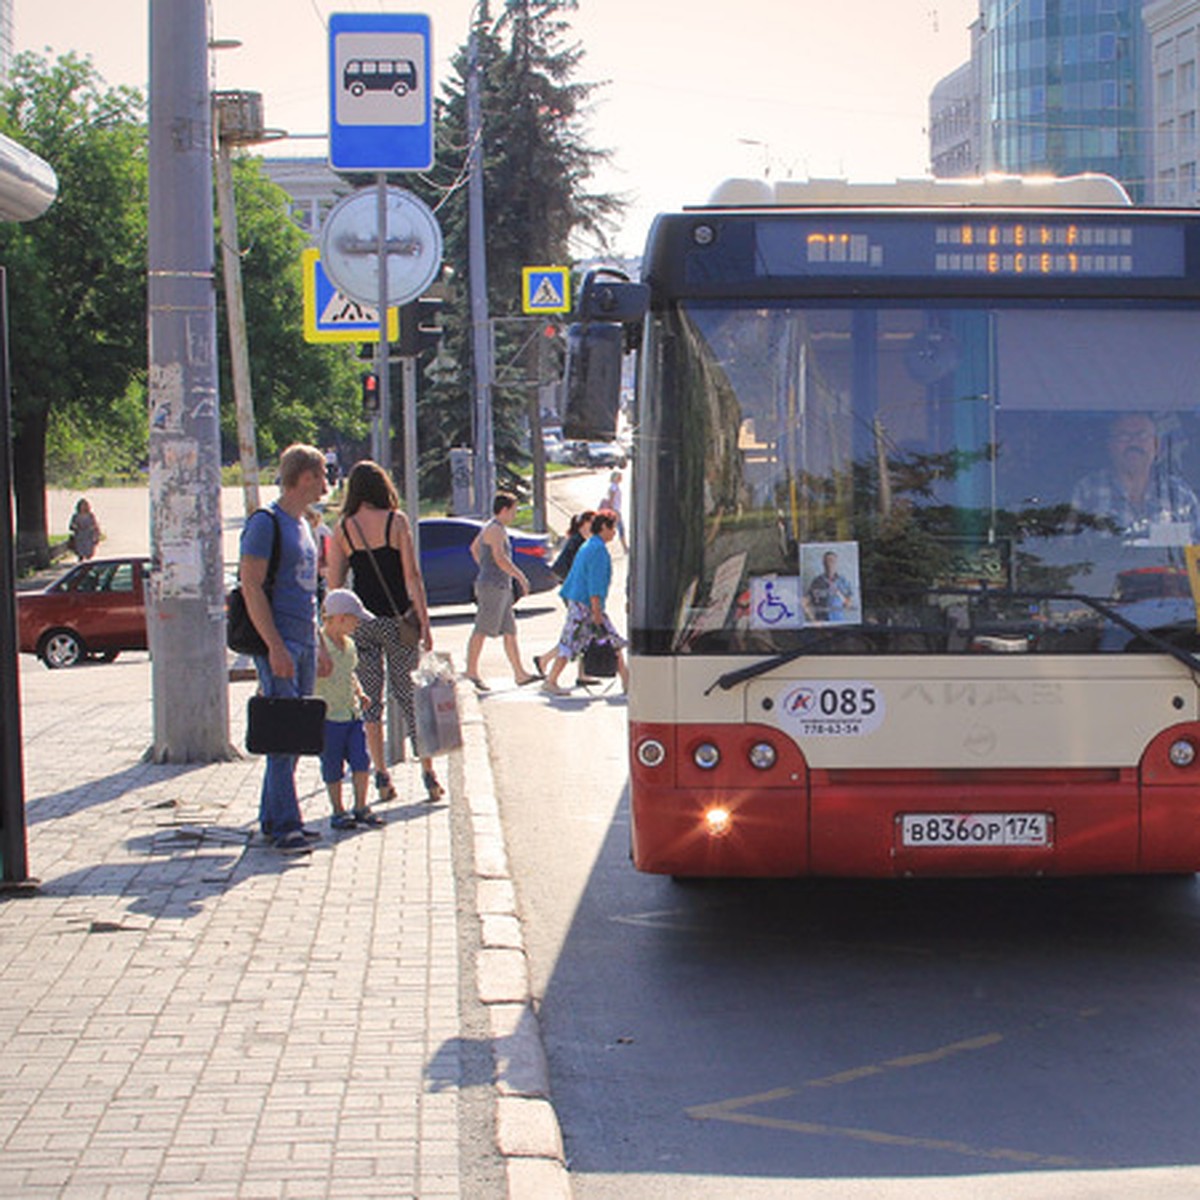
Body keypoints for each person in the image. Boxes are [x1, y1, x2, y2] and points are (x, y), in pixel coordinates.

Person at [325, 460, 444, 805]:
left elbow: (335, 586)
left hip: (360, 625)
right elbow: (413, 577)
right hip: (397, 622)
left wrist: (332, 631)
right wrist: (425, 621)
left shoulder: (344, 529)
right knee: (410, 699)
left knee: (370, 703)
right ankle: (428, 774)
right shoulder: (396, 522)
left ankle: (381, 776)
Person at [239, 443, 331, 854]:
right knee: (282, 739)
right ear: (306, 477)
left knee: (293, 734)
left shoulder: (304, 525)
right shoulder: (266, 523)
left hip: (305, 639)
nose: (327, 483)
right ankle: (287, 826)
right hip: (280, 643)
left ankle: (273, 820)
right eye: (323, 475)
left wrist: (321, 642)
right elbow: (251, 585)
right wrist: (274, 646)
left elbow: (308, 592)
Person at [1070, 412, 1200, 540]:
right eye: (1124, 437)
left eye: (1142, 436)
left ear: (1156, 446)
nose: (1134, 443)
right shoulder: (1088, 491)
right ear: (1110, 446)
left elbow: (1196, 550)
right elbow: (1068, 548)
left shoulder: (1180, 495)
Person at [315, 588, 383, 831]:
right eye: (354, 620)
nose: (358, 625)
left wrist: (361, 692)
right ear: (341, 618)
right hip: (328, 717)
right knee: (332, 765)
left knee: (361, 760)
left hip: (352, 714)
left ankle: (361, 806)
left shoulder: (350, 646)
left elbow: (350, 673)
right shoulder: (319, 646)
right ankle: (338, 810)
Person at [541, 510, 629, 695]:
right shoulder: (598, 549)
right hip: (587, 604)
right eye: (612, 528)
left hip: (580, 601)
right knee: (572, 643)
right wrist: (597, 611)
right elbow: (595, 583)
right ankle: (551, 680)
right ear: (604, 527)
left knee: (611, 640)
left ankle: (627, 682)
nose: (614, 533)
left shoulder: (589, 545)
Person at [463, 491, 541, 691]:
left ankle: (519, 673)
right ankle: (471, 671)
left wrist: (485, 567)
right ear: (504, 510)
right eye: (513, 511)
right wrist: (520, 576)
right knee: (482, 628)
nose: (514, 515)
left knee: (509, 631)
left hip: (499, 584)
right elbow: (499, 557)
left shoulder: (490, 527)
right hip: (493, 586)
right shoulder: (495, 529)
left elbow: (474, 549)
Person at [535, 510, 600, 684]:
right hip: (575, 594)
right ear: (584, 523)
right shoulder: (578, 543)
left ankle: (581, 673)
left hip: (574, 592)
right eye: (592, 522)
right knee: (575, 634)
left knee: (581, 633)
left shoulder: (579, 541)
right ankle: (547, 663)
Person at [805, 550, 854, 622]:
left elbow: (848, 605)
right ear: (823, 564)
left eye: (832, 561)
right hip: (822, 624)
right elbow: (805, 602)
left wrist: (839, 594)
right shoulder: (817, 582)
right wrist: (813, 620)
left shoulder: (843, 582)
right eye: (827, 561)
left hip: (839, 623)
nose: (829, 564)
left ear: (836, 563)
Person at [600, 470, 627, 552]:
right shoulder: (614, 487)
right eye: (619, 477)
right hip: (615, 510)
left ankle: (625, 547)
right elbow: (611, 499)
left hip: (616, 509)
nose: (621, 478)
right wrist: (613, 511)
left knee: (616, 528)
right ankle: (625, 547)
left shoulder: (614, 486)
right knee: (619, 528)